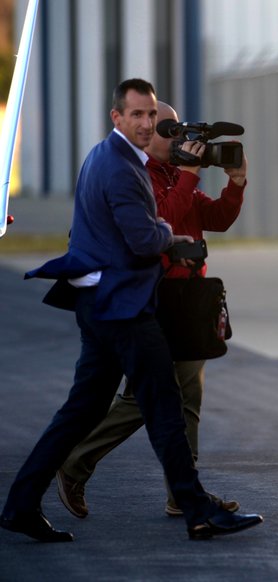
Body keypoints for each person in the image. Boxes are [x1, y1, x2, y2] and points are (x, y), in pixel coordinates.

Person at [0, 79, 262, 542]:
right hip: (124, 303)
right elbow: (142, 238)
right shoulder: (123, 168)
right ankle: (194, 508)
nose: (150, 126)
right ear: (117, 117)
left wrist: (230, 188)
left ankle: (22, 503)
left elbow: (206, 218)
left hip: (108, 301)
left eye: (154, 118)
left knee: (86, 411)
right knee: (163, 405)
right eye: (141, 117)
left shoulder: (122, 161)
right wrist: (174, 240)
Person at [56, 100, 246, 519]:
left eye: (178, 129)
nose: (175, 138)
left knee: (186, 398)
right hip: (150, 296)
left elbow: (214, 218)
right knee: (149, 397)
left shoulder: (176, 175)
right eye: (166, 130)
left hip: (189, 296)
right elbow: (159, 222)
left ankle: (182, 493)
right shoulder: (132, 176)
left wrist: (235, 184)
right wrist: (191, 177)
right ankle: (75, 463)